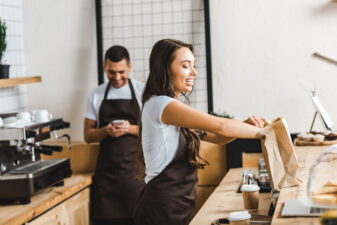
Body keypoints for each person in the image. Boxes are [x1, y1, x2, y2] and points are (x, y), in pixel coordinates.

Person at [133, 39, 266, 225]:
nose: (193, 72)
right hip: (161, 209)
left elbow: (218, 137)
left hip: (175, 206)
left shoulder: (173, 110)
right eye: (186, 66)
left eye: (193, 66)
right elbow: (220, 126)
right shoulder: (161, 105)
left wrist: (246, 125)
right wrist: (265, 132)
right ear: (165, 68)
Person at [84, 45, 145, 225]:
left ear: (130, 67)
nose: (117, 78)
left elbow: (154, 132)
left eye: (121, 72)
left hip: (135, 176)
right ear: (104, 68)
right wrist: (105, 130)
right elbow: (87, 135)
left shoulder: (143, 91)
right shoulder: (95, 95)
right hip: (106, 179)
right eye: (111, 72)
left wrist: (130, 128)